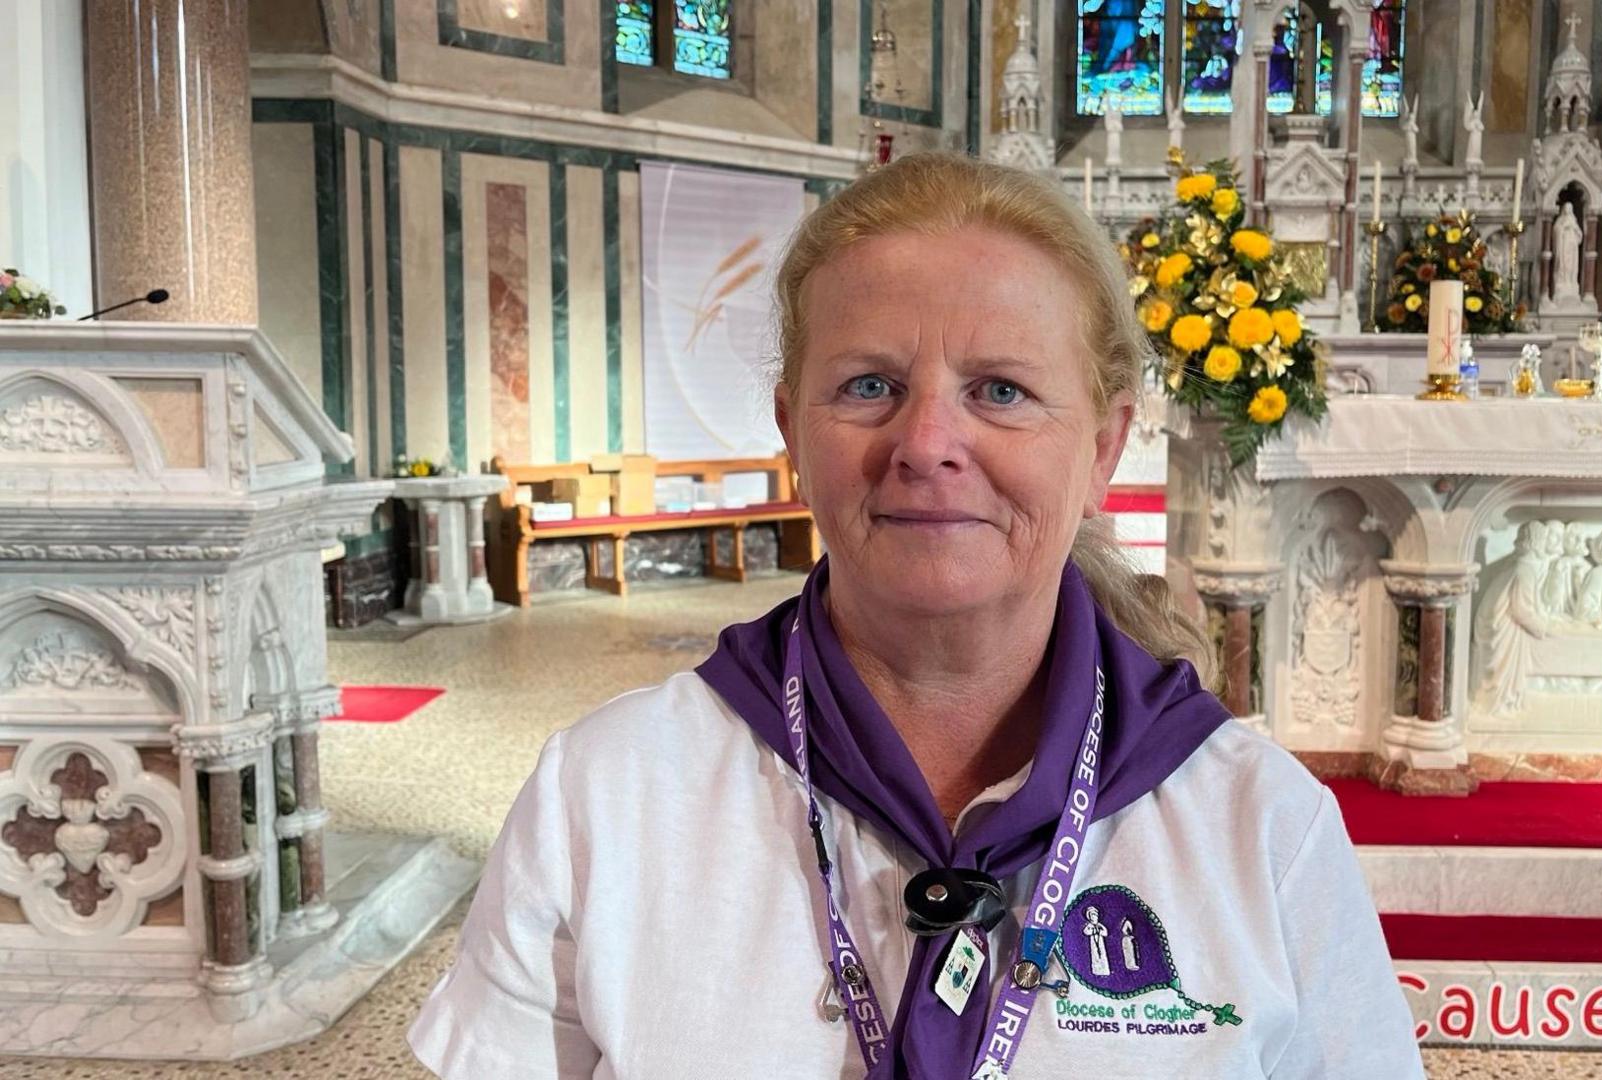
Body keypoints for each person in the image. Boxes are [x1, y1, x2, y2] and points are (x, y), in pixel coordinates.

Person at [408, 153, 1421, 1079]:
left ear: (1105, 447)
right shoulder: (605, 795)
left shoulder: (1262, 827)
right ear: (792, 432)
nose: (928, 441)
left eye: (1001, 390)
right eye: (868, 385)